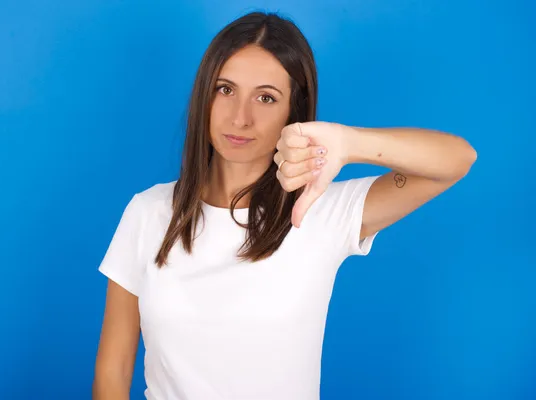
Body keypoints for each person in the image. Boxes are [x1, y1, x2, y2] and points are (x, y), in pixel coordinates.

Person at [92, 11, 477, 400]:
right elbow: (113, 370)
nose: (240, 117)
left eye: (265, 97)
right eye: (225, 90)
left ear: (293, 110)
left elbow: (456, 160)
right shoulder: (148, 212)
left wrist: (348, 142)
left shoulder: (321, 211)